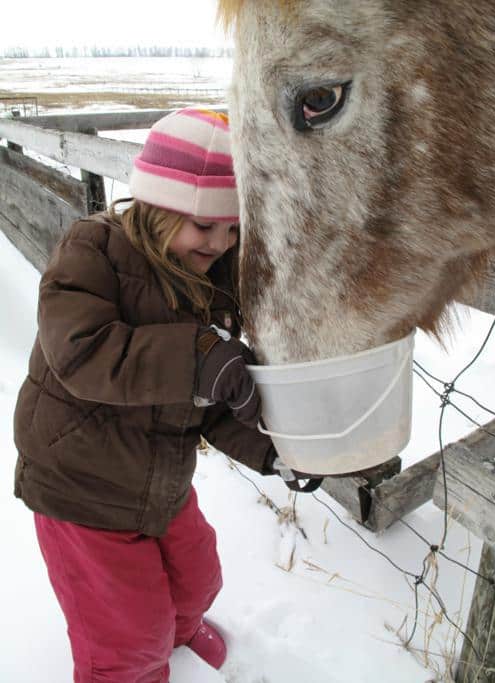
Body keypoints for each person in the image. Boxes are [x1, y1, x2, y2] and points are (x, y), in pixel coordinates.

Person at [13, 108, 280, 682]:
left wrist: (270, 451)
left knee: (199, 577)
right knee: (127, 633)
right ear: (157, 204)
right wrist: (200, 359)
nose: (220, 242)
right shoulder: (94, 252)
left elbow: (205, 399)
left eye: (233, 227)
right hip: (81, 488)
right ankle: (134, 668)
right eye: (204, 225)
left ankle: (178, 632)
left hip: (158, 478)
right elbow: (82, 355)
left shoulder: (212, 281)